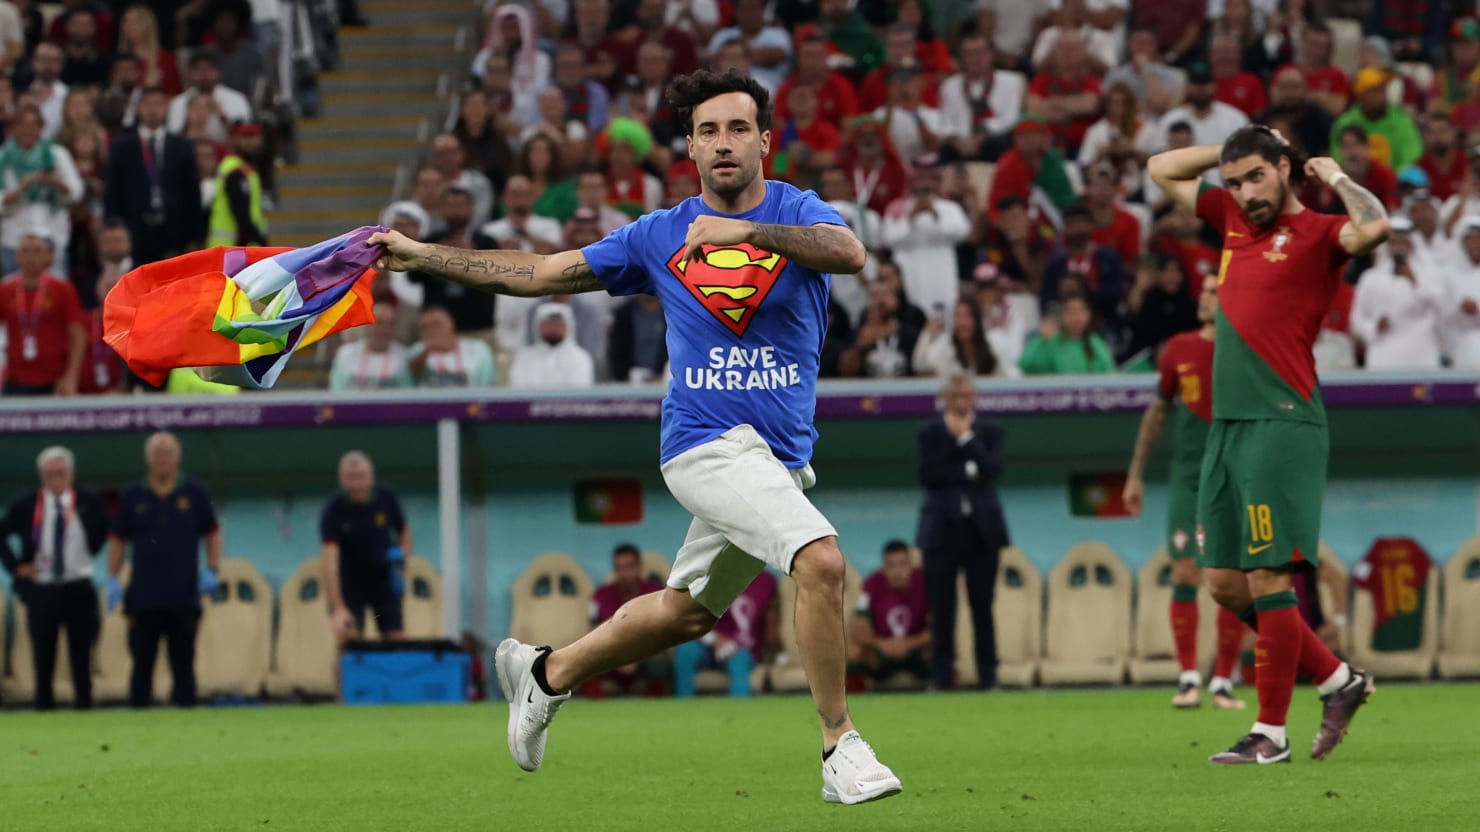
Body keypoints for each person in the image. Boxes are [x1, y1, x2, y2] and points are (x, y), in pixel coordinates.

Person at [369, 68, 901, 804]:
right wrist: (425, 255)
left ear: (765, 143)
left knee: (685, 612)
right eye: (708, 130)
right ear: (688, 146)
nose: (723, 143)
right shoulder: (658, 235)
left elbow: (849, 254)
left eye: (738, 128)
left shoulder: (799, 212)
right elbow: (539, 274)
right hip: (706, 445)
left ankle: (545, 674)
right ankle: (839, 745)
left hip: (779, 460)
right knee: (822, 562)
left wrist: (747, 232)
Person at [1147, 124, 1383, 765]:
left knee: (1268, 574)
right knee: (1225, 584)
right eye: (1234, 181)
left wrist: (1330, 174)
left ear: (1286, 168)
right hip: (1227, 427)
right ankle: (1338, 679)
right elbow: (1161, 167)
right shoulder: (1229, 217)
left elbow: (1377, 226)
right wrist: (1230, 142)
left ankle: (1269, 735)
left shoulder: (1321, 233)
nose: (1244, 192)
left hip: (1283, 423)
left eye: (1256, 176)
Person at [1122, 277, 1248, 710]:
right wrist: (1135, 474)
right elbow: (1158, 412)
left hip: (1232, 477)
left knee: (1230, 579)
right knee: (1184, 571)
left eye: (1215, 290)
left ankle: (1224, 682)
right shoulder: (1177, 348)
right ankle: (1189, 678)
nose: (1205, 296)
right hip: (1188, 478)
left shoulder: (1246, 345)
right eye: (1204, 290)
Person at [106, 431, 223, 708]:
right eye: (157, 455)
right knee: (141, 666)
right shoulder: (133, 495)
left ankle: (186, 720)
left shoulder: (194, 491)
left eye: (168, 454)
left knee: (183, 665)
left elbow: (213, 532)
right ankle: (138, 719)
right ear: (148, 459)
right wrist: (112, 577)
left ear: (178, 458)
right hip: (143, 598)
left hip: (184, 596)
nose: (163, 460)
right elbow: (117, 539)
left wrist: (213, 569)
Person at [914, 374, 1008, 690]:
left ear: (974, 398)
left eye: (965, 396)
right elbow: (930, 475)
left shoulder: (990, 432)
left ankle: (988, 676)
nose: (960, 403)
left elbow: (993, 469)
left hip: (982, 533)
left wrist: (967, 440)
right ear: (944, 399)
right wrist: (968, 469)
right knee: (942, 609)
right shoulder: (929, 433)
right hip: (940, 533)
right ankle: (941, 678)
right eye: (954, 397)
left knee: (983, 607)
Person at [0, 447, 109, 710]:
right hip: (42, 588)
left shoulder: (88, 501)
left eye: (60, 473)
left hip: (79, 586)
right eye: (49, 474)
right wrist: (16, 567)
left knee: (81, 653)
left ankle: (84, 706)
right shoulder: (27, 504)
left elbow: (104, 530)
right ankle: (44, 707)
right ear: (41, 476)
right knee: (43, 653)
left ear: (70, 473)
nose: (55, 479)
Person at [103, 86, 203, 264]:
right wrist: (113, 227)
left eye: (158, 105)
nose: (153, 110)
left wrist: (194, 237)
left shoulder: (181, 146)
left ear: (166, 109)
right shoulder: (122, 146)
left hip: (174, 229)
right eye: (148, 104)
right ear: (138, 108)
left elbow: (192, 193)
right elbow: (113, 190)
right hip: (134, 228)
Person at [320, 451, 410, 647]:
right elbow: (329, 561)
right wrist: (338, 607)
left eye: (361, 477)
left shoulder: (387, 497)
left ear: (371, 476)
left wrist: (403, 560)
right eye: (351, 478)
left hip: (384, 580)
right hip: (349, 583)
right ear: (341, 480)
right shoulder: (333, 510)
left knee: (396, 641)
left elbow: (404, 531)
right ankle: (344, 677)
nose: (357, 484)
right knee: (347, 639)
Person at [1349, 217, 1445, 370]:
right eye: (1394, 243)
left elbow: (1442, 308)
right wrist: (1373, 327)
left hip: (1422, 356)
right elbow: (1357, 318)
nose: (1399, 248)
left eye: (1404, 243)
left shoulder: (1430, 274)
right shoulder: (1370, 277)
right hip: (1383, 355)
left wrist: (1414, 281)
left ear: (1412, 244)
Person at [0, 233, 86, 395]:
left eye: (37, 251)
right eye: (25, 251)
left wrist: (71, 377)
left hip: (55, 380)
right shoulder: (5, 290)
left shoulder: (62, 289)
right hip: (15, 379)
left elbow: (78, 336)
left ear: (48, 257)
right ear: (17, 257)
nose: (30, 257)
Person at [672, 569, 778, 698]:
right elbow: (692, 617)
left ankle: (737, 714)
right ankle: (683, 709)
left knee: (739, 660)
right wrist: (714, 639)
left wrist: (778, 652)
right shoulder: (714, 573)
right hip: (708, 644)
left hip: (743, 650)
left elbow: (771, 624)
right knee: (686, 650)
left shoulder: (767, 581)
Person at [587, 544, 667, 695]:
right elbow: (591, 630)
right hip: (611, 653)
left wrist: (635, 655)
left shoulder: (656, 592)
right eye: (619, 568)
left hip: (645, 652)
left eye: (629, 567)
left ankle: (655, 710)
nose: (624, 573)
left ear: (639, 568)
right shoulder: (600, 596)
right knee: (586, 660)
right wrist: (619, 657)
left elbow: (662, 631)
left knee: (659, 664)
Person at [850, 540, 929, 685]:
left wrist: (908, 643)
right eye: (891, 565)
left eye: (902, 564)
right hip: (882, 652)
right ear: (884, 567)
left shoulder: (927, 582)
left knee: (940, 649)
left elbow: (939, 628)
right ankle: (852, 703)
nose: (897, 572)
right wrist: (883, 643)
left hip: (916, 649)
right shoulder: (870, 585)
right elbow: (858, 628)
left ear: (910, 565)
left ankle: (949, 696)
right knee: (854, 651)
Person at [1018, 292, 1116, 375]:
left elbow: (1109, 373)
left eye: (1081, 311)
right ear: (1062, 315)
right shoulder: (1050, 341)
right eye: (1071, 312)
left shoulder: (1095, 343)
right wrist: (1042, 341)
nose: (1077, 318)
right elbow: (1026, 366)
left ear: (1089, 314)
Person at [329, 302, 414, 390]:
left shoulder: (405, 356)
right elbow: (336, 392)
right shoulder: (345, 354)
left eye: (390, 324)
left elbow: (408, 393)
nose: (384, 329)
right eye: (379, 323)